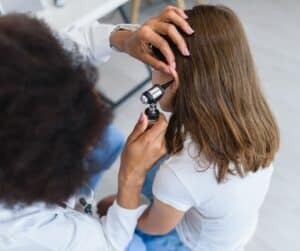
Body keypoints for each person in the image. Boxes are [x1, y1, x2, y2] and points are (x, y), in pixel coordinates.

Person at [0, 6, 194, 251]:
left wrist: (123, 38)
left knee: (111, 141)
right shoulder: (22, 232)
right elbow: (109, 245)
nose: (91, 143)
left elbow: (58, 48)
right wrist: (130, 178)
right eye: (82, 143)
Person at [99, 5, 280, 251]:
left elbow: (154, 226)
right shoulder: (257, 119)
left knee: (113, 233)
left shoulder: (182, 173)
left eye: (153, 67)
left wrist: (126, 201)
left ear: (171, 81)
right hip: (232, 230)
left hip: (192, 243)